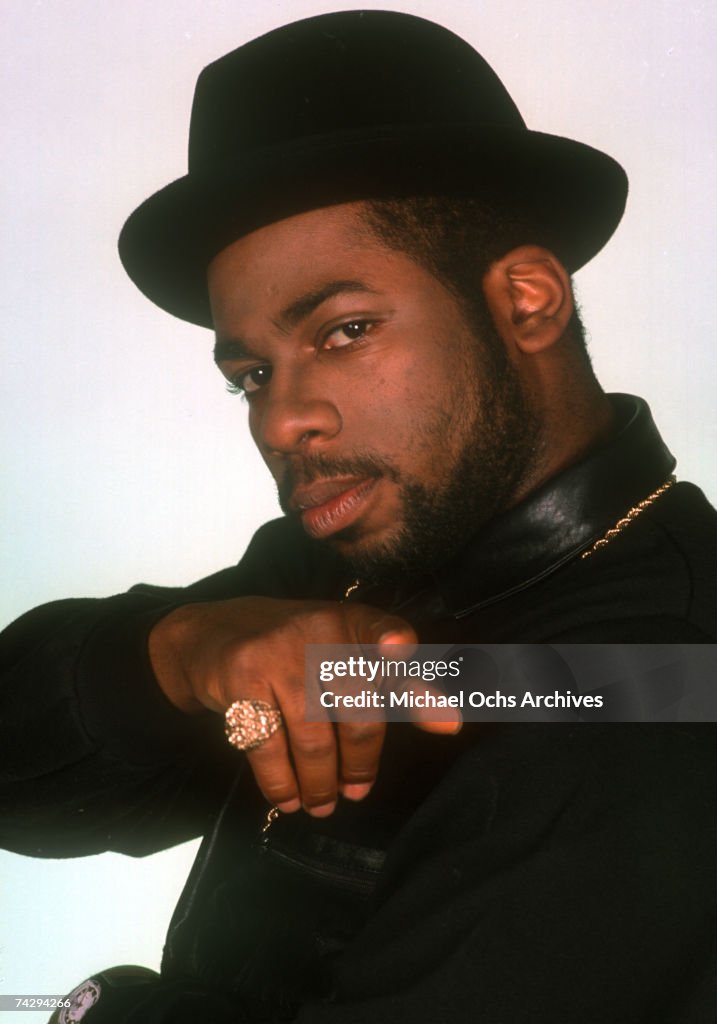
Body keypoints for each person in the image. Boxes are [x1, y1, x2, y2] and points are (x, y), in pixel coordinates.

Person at [2, 9, 717, 1023]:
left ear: (525, 300)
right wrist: (184, 652)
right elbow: (19, 784)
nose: (283, 419)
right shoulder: (342, 569)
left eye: (344, 330)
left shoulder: (664, 693)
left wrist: (111, 1010)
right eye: (249, 374)